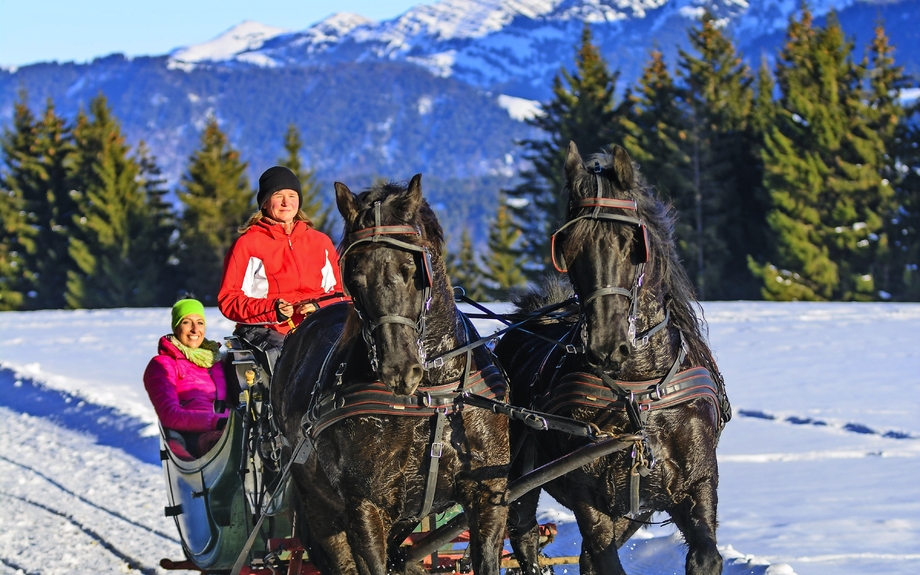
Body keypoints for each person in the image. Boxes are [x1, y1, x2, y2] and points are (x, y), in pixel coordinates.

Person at [217, 166, 346, 374]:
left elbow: (343, 294)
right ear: (265, 203)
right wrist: (272, 309)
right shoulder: (247, 245)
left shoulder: (320, 242)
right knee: (289, 361)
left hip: (317, 324)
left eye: (292, 195)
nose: (287, 202)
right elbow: (228, 300)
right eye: (278, 195)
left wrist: (318, 305)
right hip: (266, 329)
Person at [144, 298, 228, 459]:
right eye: (186, 322)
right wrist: (217, 421)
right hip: (192, 437)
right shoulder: (162, 364)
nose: (195, 329)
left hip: (226, 428)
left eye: (200, 322)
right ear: (176, 327)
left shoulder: (213, 360)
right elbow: (169, 415)